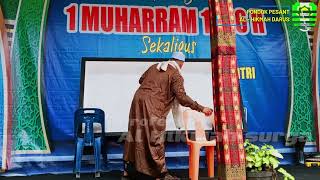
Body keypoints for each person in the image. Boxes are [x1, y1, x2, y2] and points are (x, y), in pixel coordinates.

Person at [123, 52, 213, 179]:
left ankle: (128, 170)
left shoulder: (155, 66)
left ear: (171, 59)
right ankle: (161, 174)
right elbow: (182, 98)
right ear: (181, 63)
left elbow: (141, 80)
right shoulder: (176, 74)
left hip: (137, 100)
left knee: (135, 133)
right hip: (154, 105)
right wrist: (201, 108)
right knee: (155, 137)